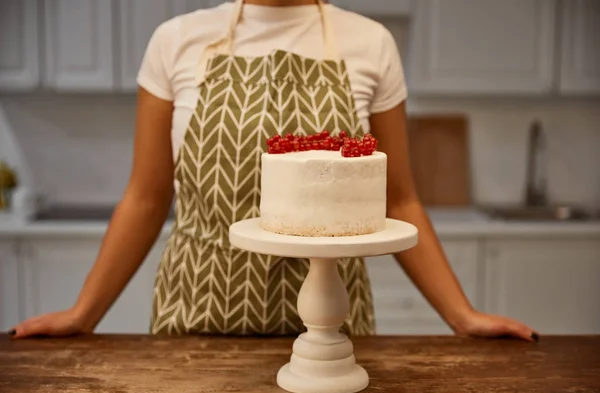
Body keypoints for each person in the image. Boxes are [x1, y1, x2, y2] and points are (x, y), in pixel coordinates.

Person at [9, 0, 538, 342]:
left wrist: (461, 316)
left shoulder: (370, 43)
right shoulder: (176, 40)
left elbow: (398, 200)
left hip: (332, 324)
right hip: (196, 315)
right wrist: (84, 314)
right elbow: (147, 199)